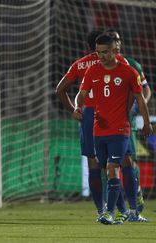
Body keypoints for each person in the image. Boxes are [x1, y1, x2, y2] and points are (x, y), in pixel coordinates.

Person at [74, 34, 152, 225]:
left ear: (115, 49)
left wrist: (146, 122)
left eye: (105, 52)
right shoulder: (91, 71)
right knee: (108, 168)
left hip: (121, 128)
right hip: (99, 129)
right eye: (98, 52)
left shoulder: (129, 71)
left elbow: (141, 98)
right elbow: (81, 94)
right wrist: (77, 107)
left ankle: (113, 212)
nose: (101, 56)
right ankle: (129, 211)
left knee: (113, 168)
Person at [56, 29, 107, 221]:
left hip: (88, 116)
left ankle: (100, 210)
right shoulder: (115, 62)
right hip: (112, 115)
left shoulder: (80, 64)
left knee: (93, 163)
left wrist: (74, 110)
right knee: (116, 162)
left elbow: (60, 90)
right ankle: (120, 209)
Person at [106, 29, 151, 218]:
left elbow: (146, 91)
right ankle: (115, 208)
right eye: (112, 40)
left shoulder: (132, 65)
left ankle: (134, 198)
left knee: (128, 160)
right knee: (107, 164)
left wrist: (138, 108)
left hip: (125, 122)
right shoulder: (97, 67)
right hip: (104, 123)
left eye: (117, 39)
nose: (116, 43)